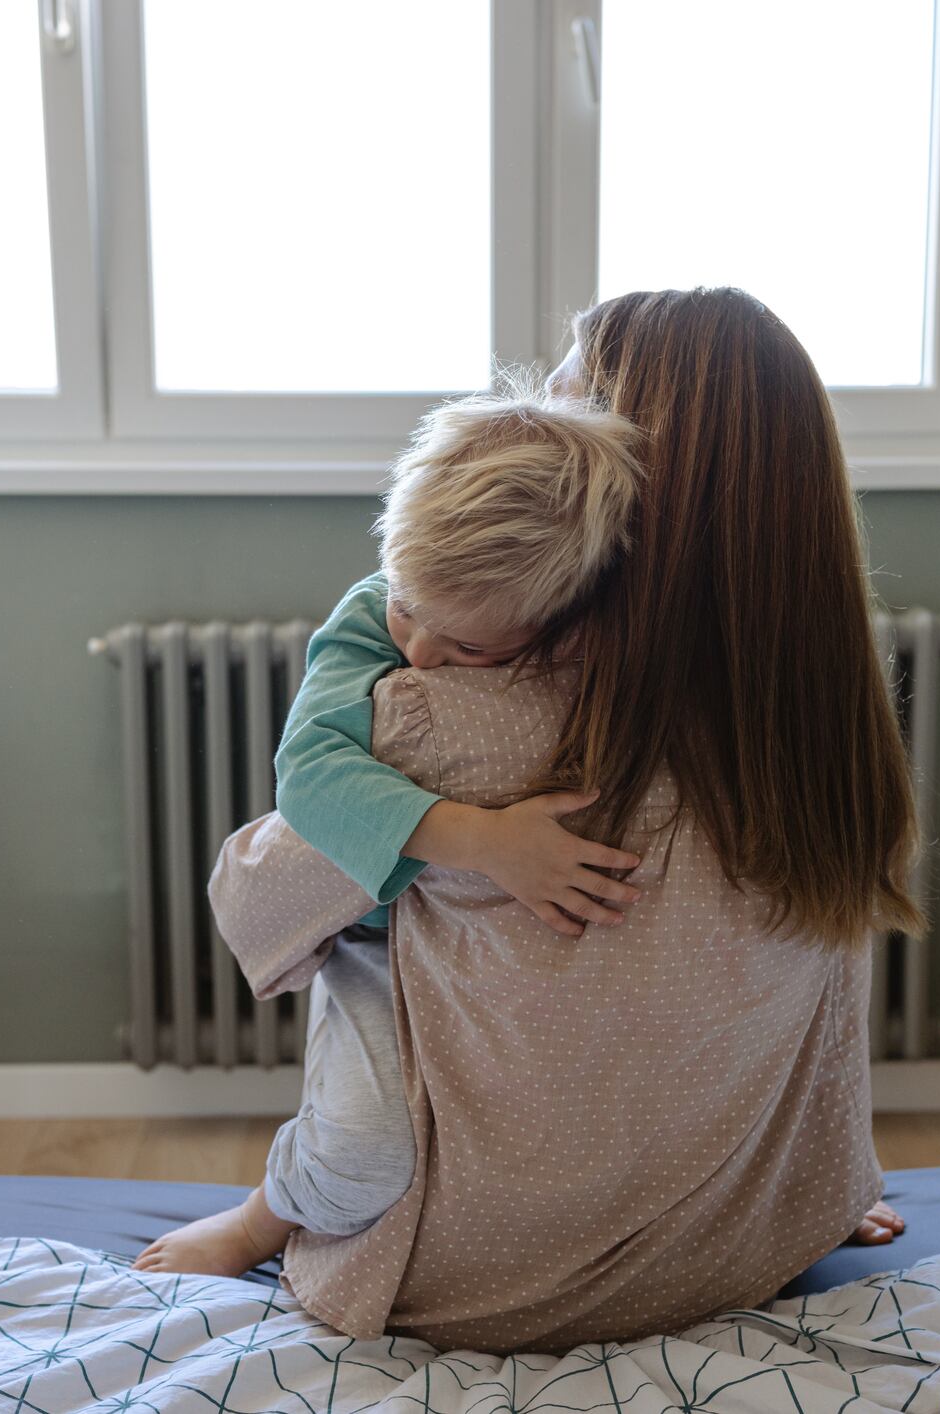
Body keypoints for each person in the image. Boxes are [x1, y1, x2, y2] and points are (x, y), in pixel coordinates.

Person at [181, 288, 916, 1354]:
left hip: (476, 1284)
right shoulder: (826, 743)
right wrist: (820, 1187)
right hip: (734, 1252)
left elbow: (251, 896)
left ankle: (268, 1213)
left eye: (567, 386)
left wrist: (430, 842)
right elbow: (826, 1006)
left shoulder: (456, 723)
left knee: (336, 941)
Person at [136, 387, 649, 1278]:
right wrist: (485, 839)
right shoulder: (370, 616)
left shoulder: (590, 631)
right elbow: (310, 777)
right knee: (364, 1153)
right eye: (413, 610)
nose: (417, 655)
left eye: (472, 651)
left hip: (506, 955)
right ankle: (263, 1216)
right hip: (378, 941)